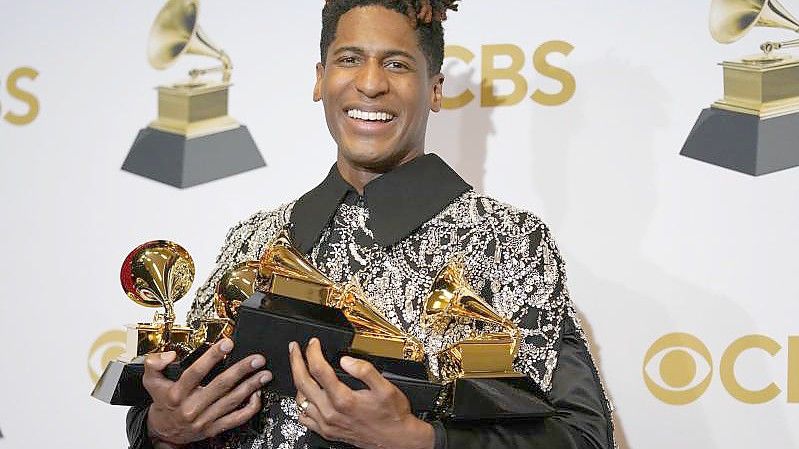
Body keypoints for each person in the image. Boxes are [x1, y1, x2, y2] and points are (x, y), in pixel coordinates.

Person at [127, 1, 615, 448]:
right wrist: (161, 429)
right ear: (320, 79)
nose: (370, 82)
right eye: (349, 59)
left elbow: (584, 437)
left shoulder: (507, 242)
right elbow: (174, 402)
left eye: (397, 64)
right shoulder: (254, 239)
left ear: (436, 89)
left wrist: (416, 440)